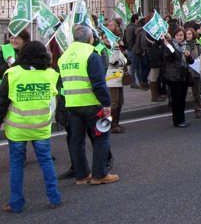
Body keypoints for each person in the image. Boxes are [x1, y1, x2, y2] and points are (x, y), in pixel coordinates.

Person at [0, 41, 62, 212]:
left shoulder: (12, 74)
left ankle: (16, 203)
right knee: (46, 162)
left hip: (17, 129)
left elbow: (2, 102)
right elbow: (55, 99)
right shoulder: (50, 74)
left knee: (17, 165)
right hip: (41, 127)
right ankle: (55, 198)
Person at [58, 25, 119, 185]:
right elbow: (98, 83)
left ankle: (82, 175)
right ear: (90, 39)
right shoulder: (91, 54)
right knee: (101, 138)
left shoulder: (64, 56)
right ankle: (99, 174)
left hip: (72, 105)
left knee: (76, 141)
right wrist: (106, 104)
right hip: (92, 104)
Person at [162, 28, 193, 127]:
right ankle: (177, 121)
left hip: (183, 76)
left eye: (181, 35)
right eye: (177, 35)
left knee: (182, 99)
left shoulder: (185, 46)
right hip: (173, 77)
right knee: (176, 99)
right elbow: (171, 56)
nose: (179, 37)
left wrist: (188, 56)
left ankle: (182, 119)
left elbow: (191, 62)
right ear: (174, 36)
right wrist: (169, 46)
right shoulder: (170, 46)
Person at [102, 28, 128, 133]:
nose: (107, 39)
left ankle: (116, 122)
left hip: (119, 78)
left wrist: (119, 62)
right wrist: (117, 51)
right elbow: (113, 61)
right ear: (102, 39)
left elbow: (124, 60)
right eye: (105, 38)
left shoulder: (114, 47)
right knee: (114, 103)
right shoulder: (102, 49)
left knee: (120, 102)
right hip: (110, 80)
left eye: (109, 37)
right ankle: (112, 124)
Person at [184, 28, 201, 119]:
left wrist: (198, 59)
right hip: (184, 71)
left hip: (195, 71)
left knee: (196, 92)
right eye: (186, 34)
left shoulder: (197, 44)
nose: (187, 35)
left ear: (193, 35)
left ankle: (198, 109)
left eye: (189, 34)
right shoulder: (182, 44)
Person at [124, 14, 142, 89]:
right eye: (139, 19)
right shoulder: (131, 27)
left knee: (138, 67)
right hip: (132, 50)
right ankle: (133, 83)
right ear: (136, 20)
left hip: (135, 50)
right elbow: (129, 40)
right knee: (133, 67)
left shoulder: (133, 27)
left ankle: (141, 82)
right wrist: (133, 48)